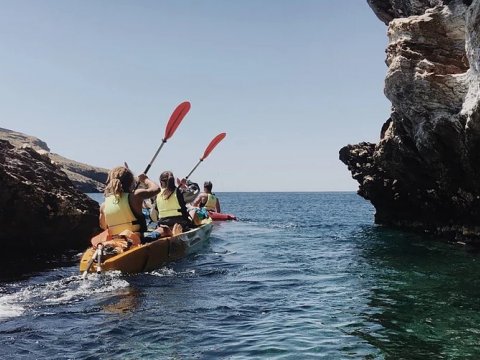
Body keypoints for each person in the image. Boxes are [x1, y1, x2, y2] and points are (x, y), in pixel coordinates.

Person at [99, 166, 170, 246]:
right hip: (136, 239)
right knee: (163, 229)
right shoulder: (136, 195)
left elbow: (103, 226)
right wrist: (145, 179)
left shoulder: (103, 205)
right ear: (131, 182)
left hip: (115, 240)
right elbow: (156, 189)